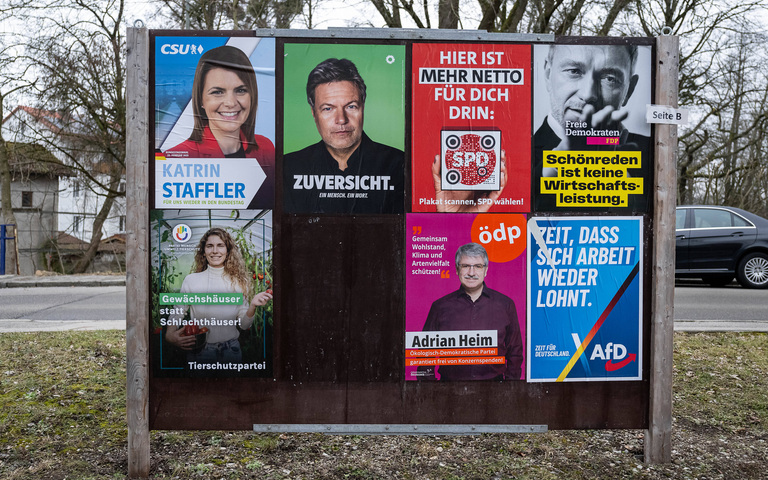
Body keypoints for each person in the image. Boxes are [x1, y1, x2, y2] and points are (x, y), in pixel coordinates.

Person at [534, 44, 649, 210]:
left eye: (609, 78)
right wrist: (555, 166)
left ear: (629, 90)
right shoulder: (512, 155)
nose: (588, 95)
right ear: (547, 74)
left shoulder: (653, 156)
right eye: (574, 71)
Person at [283, 58, 404, 214]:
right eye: (328, 109)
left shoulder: (399, 166)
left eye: (351, 106)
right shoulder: (288, 168)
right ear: (314, 113)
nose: (341, 119)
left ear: (363, 107)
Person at [164, 46, 275, 206]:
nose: (230, 103)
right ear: (200, 99)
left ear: (252, 95)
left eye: (241, 90)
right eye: (217, 92)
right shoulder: (174, 158)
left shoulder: (266, 149)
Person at [165, 227, 272, 366]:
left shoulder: (238, 282)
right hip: (200, 351)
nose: (215, 251)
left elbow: (244, 325)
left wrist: (252, 306)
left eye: (220, 245)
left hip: (231, 352)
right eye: (210, 246)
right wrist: (169, 335)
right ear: (204, 251)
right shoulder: (191, 280)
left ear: (228, 251)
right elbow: (178, 311)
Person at [418, 243, 523, 381]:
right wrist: (431, 391)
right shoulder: (440, 306)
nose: (471, 273)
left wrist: (510, 388)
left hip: (494, 389)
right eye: (465, 266)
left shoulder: (505, 304)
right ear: (457, 269)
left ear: (485, 270)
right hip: (448, 391)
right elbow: (426, 353)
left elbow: (515, 351)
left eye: (478, 266)